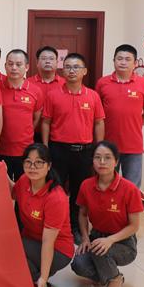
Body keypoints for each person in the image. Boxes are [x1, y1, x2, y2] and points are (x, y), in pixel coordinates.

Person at [41, 52, 105, 238]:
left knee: (80, 192)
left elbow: (99, 123)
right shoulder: (53, 95)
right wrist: (45, 147)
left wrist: (99, 149)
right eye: (68, 67)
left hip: (84, 152)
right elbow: (46, 122)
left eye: (76, 67)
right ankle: (57, 226)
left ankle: (75, 228)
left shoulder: (93, 96)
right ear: (63, 70)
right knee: (56, 190)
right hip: (58, 150)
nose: (71, 71)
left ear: (84, 71)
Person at [71, 141, 143, 287]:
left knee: (99, 250)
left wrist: (110, 240)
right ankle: (108, 274)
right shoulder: (86, 185)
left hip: (124, 242)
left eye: (107, 158)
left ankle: (115, 279)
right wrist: (85, 238)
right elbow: (82, 214)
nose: (102, 162)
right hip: (97, 236)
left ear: (116, 162)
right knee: (78, 265)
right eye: (97, 157)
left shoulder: (129, 189)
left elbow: (134, 226)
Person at [12, 143, 73, 287]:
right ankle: (34, 279)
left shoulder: (55, 198)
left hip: (58, 250)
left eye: (39, 162)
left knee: (12, 245)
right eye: (28, 162)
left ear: (49, 166)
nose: (33, 167)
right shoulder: (24, 180)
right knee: (13, 250)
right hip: (32, 242)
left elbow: (48, 242)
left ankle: (41, 284)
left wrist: (43, 278)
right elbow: (13, 192)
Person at [95, 45, 144, 188]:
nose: (123, 62)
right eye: (119, 58)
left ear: (135, 63)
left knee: (132, 187)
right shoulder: (102, 83)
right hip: (107, 145)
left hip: (133, 146)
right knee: (105, 184)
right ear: (114, 60)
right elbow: (96, 114)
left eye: (128, 59)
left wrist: (135, 125)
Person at [0, 49, 44, 182]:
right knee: (1, 188)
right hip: (0, 149)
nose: (14, 68)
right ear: (5, 66)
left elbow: (36, 118)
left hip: (25, 151)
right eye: (10, 64)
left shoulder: (35, 91)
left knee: (24, 187)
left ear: (27, 67)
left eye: (18, 64)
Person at [28, 46, 66, 143]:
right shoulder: (27, 83)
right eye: (44, 58)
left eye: (51, 59)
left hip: (58, 135)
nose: (48, 61)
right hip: (32, 133)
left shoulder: (65, 84)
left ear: (57, 63)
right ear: (37, 63)